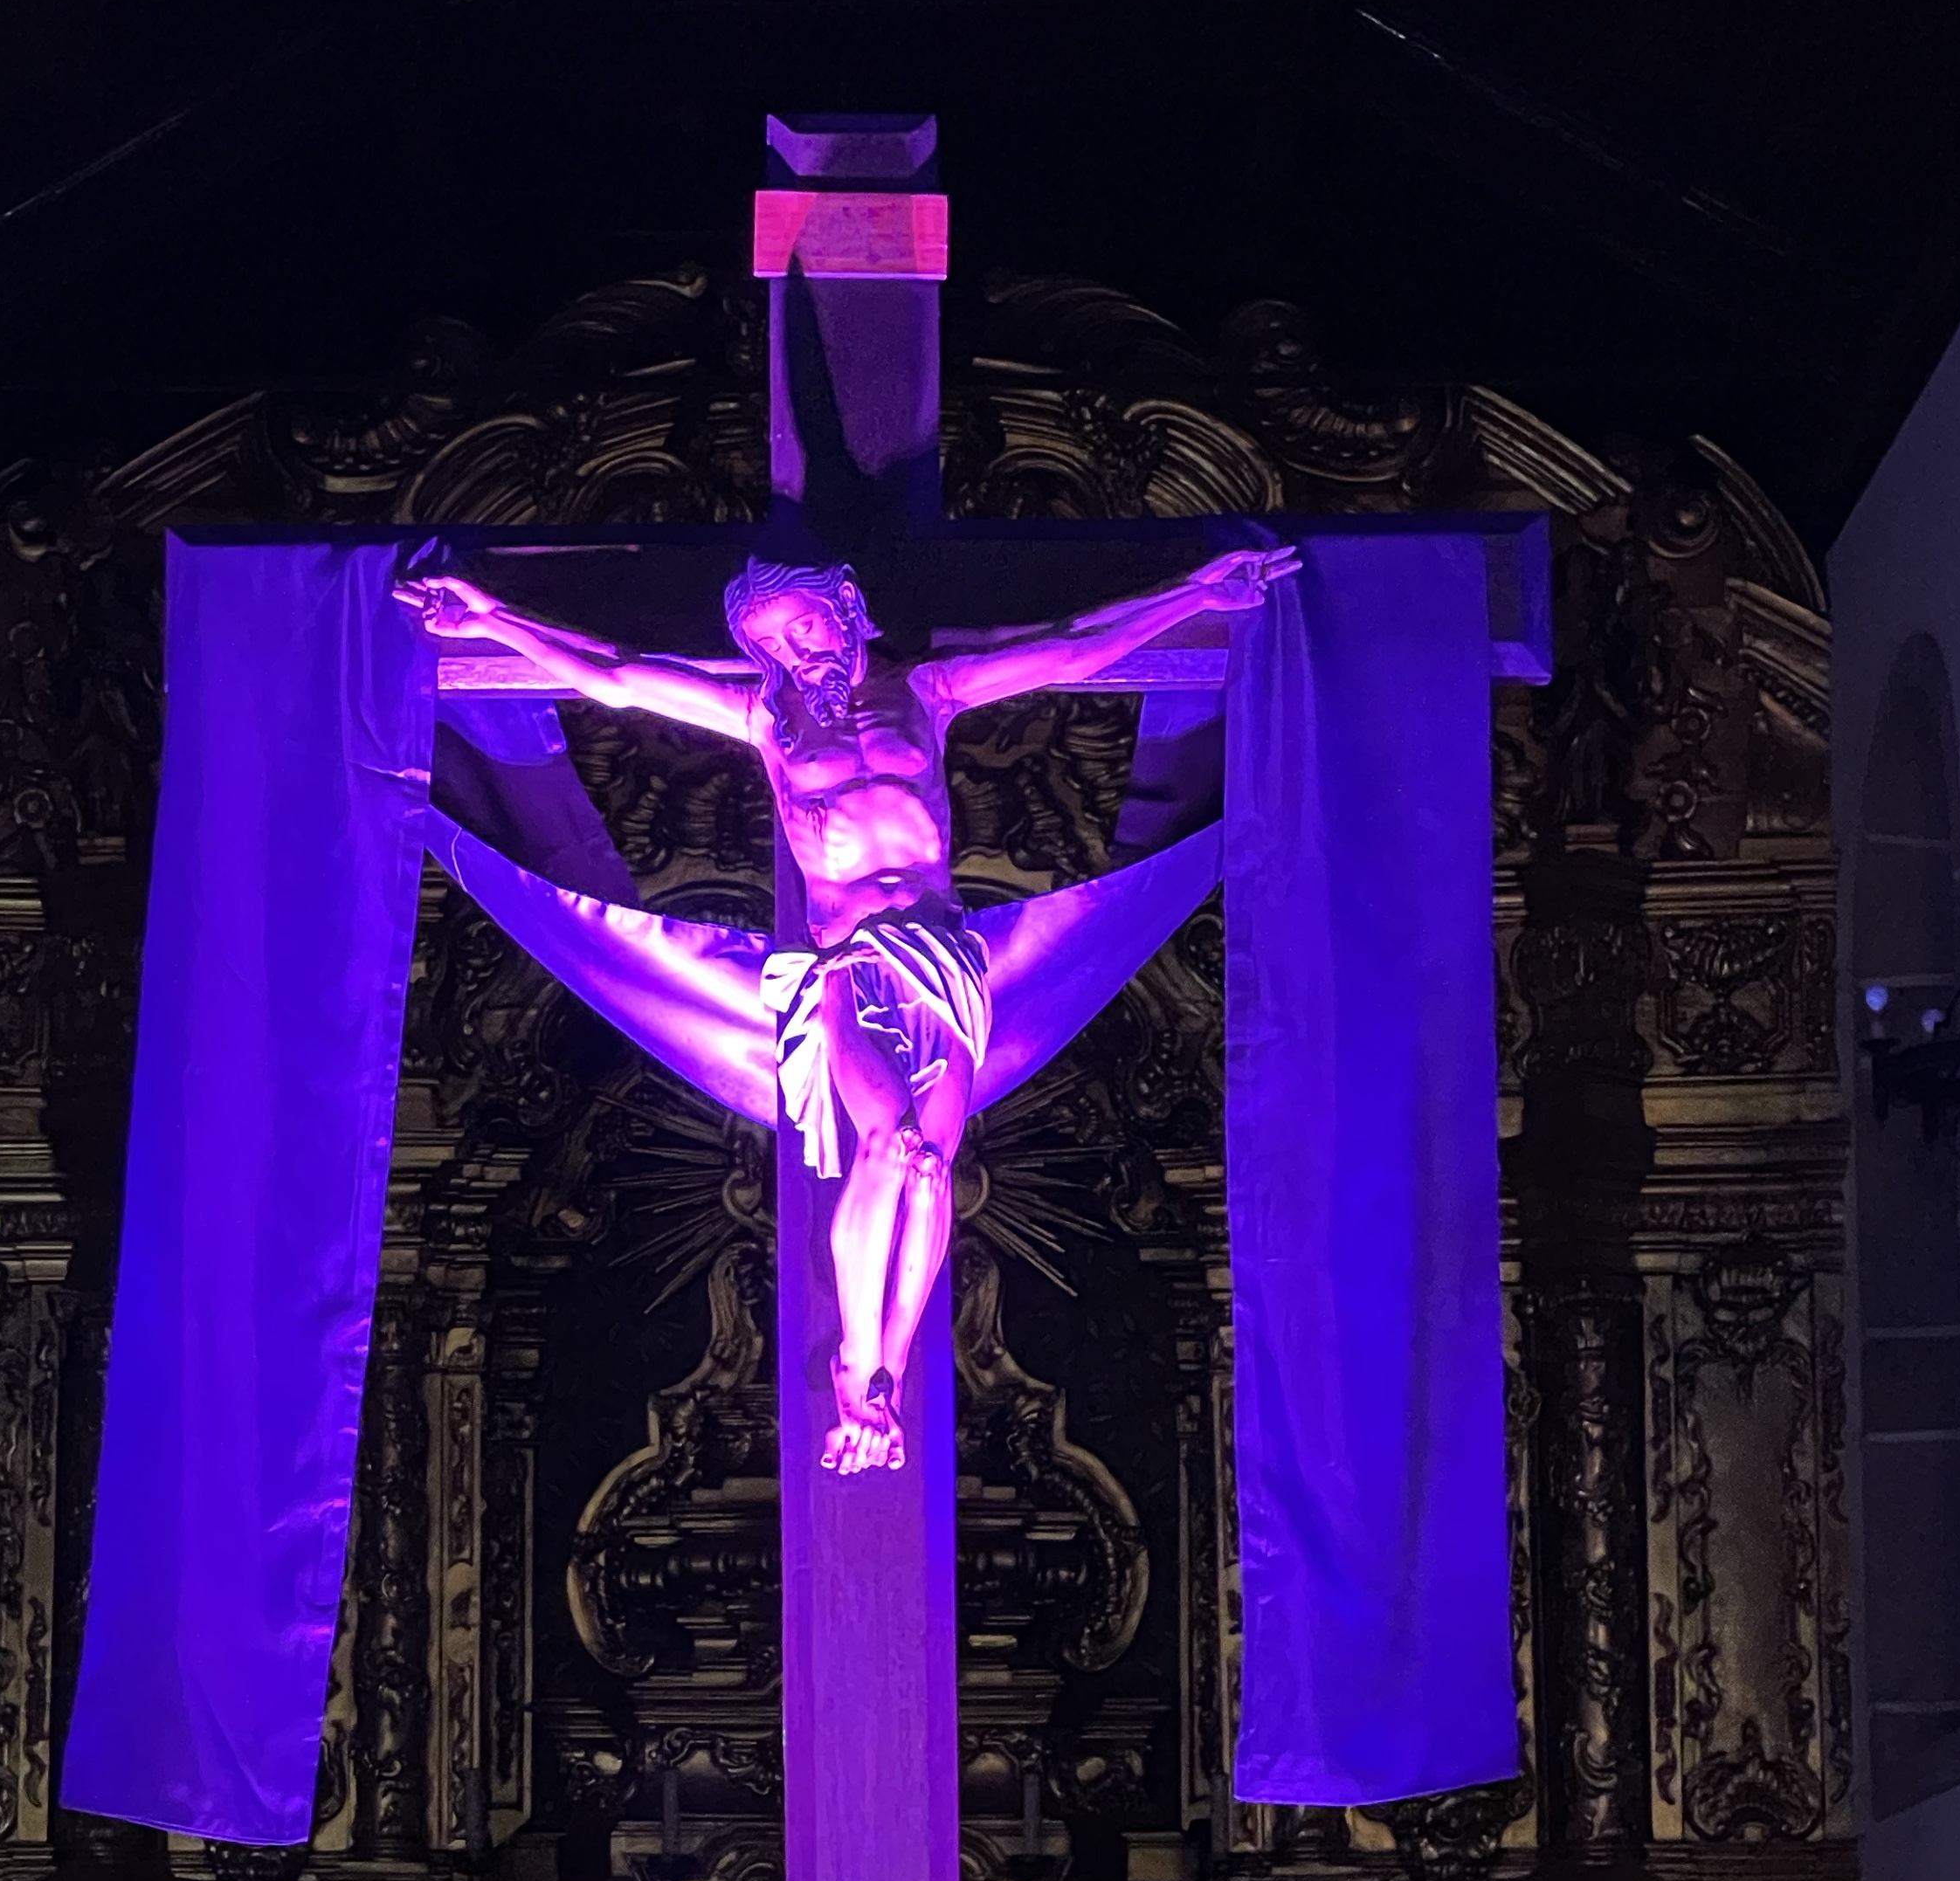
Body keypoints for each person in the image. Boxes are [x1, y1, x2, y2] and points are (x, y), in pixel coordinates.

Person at [400, 539, 1296, 1471]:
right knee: (888, 1145)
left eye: (803, 631)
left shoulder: (929, 692)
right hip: (848, 964)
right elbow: (618, 677)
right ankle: (854, 1365)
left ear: (847, 606)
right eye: (773, 646)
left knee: (932, 1170)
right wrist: (492, 619)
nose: (794, 655)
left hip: (940, 960)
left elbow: (1070, 648)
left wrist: (1195, 592)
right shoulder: (765, 720)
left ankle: (887, 1379)